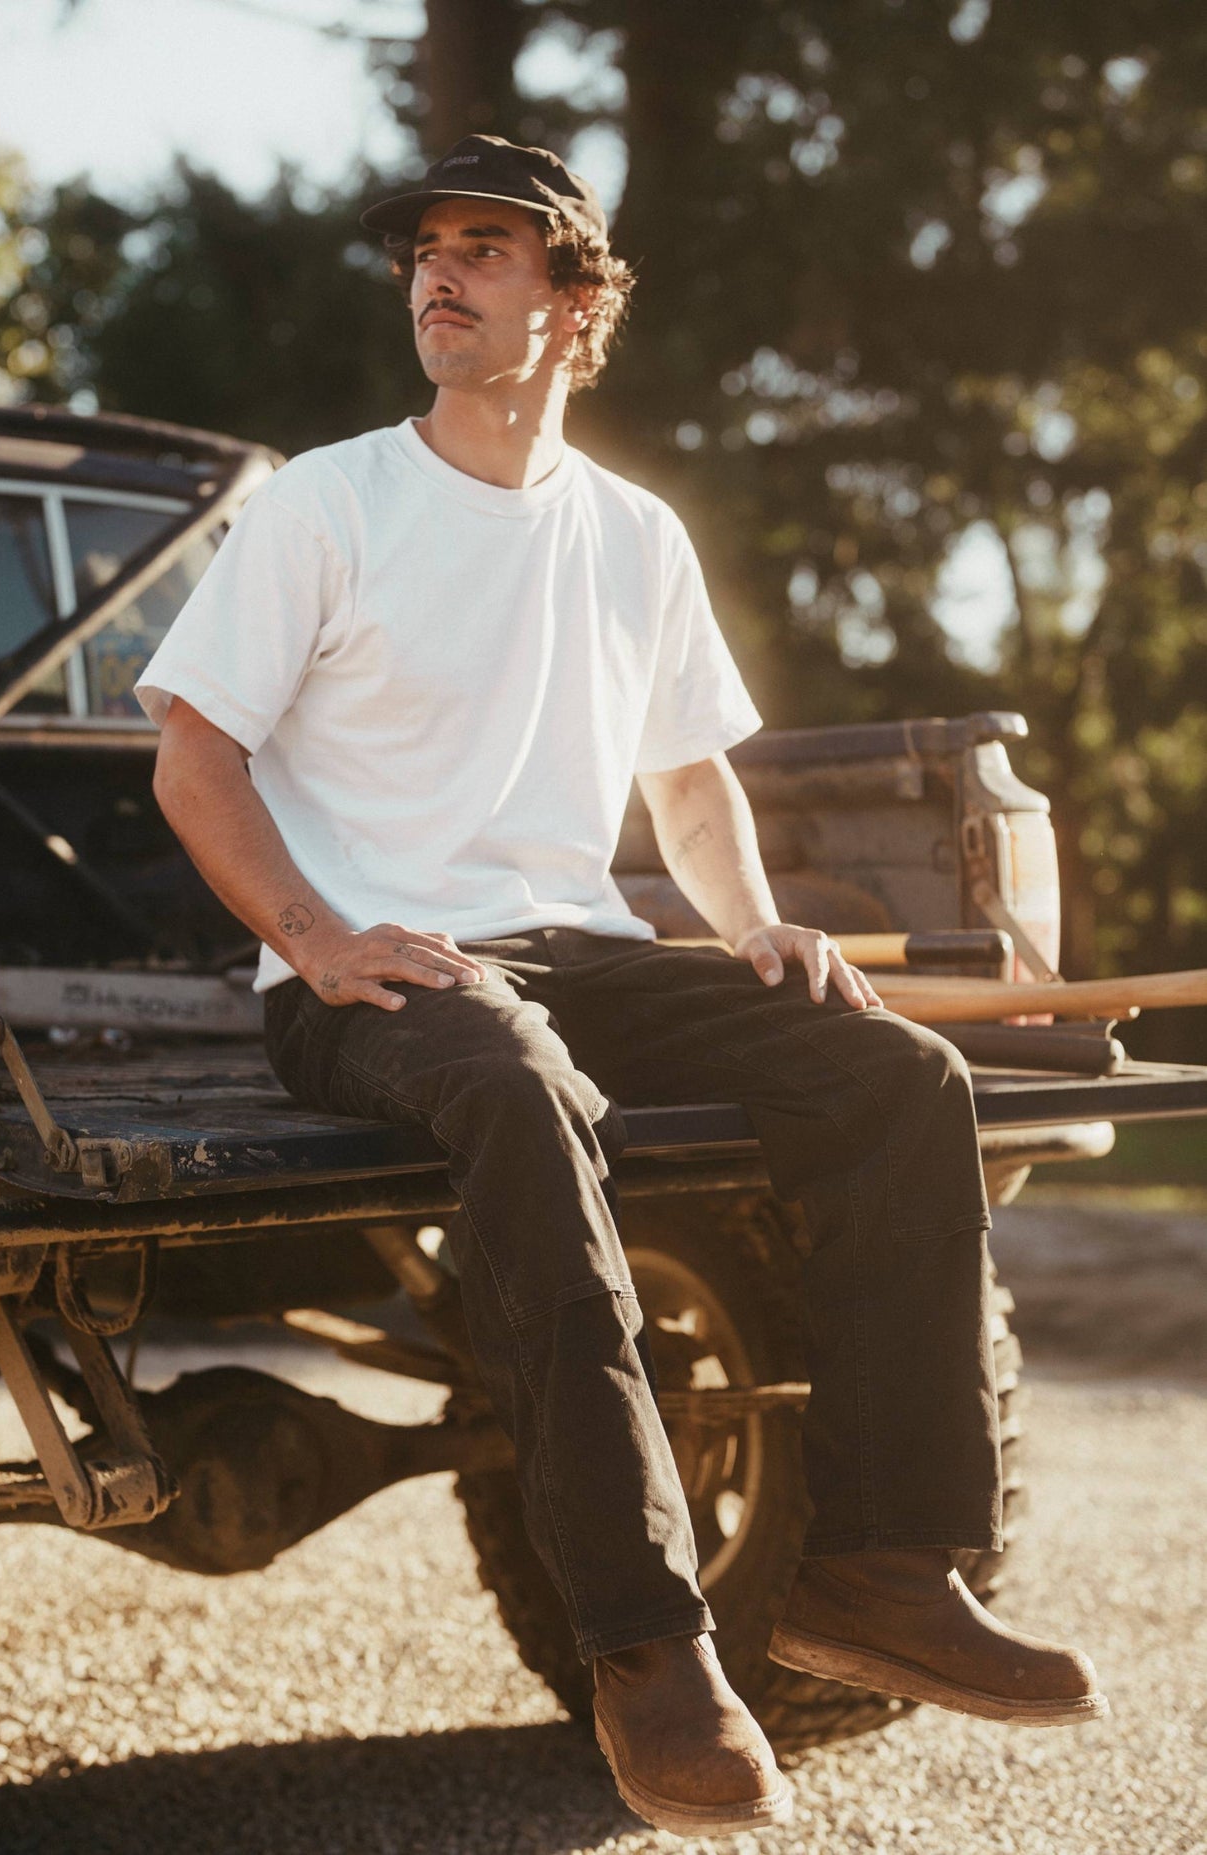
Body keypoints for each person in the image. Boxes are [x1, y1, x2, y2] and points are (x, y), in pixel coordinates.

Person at [138, 135, 1106, 1839]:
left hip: (578, 949)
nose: (439, 273)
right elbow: (194, 754)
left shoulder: (633, 534)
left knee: (894, 1080)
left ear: (577, 301)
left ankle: (878, 1570)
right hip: (375, 975)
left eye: (486, 249)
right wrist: (317, 937)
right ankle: (650, 1648)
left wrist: (754, 926)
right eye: (427, 248)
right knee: (519, 1087)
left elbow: (693, 779)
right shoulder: (329, 501)